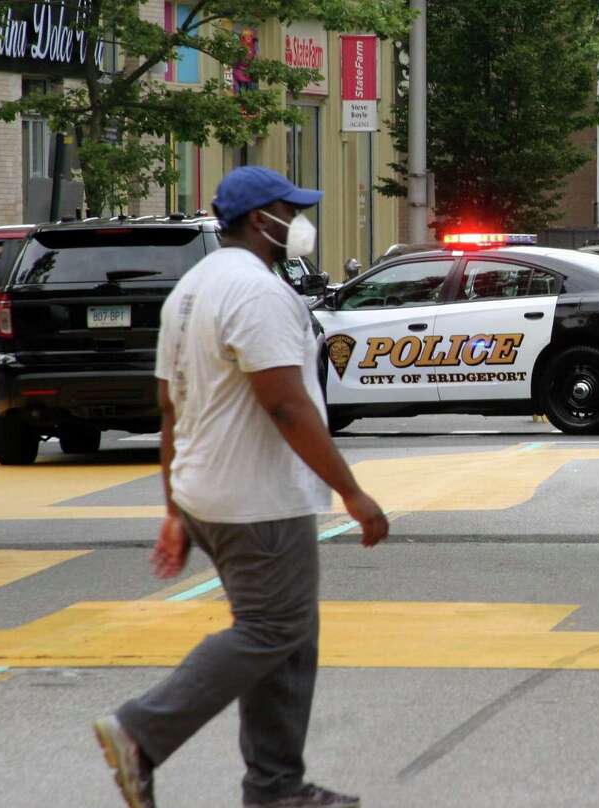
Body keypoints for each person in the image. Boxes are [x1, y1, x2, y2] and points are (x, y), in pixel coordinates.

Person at [93, 166, 389, 808]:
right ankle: (140, 732)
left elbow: (171, 410)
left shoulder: (191, 289)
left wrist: (175, 510)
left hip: (209, 494)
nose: (301, 221)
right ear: (263, 221)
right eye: (292, 209)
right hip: (257, 501)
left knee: (288, 639)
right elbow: (286, 405)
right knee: (269, 629)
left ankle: (276, 786)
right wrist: (352, 492)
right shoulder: (257, 294)